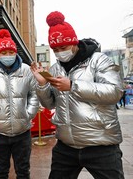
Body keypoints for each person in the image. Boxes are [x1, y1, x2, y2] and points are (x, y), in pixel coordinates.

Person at [30, 11, 125, 179]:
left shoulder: (98, 60)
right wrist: (43, 84)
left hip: (101, 145)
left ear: (73, 43)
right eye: (56, 49)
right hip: (66, 146)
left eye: (63, 48)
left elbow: (115, 92)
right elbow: (50, 104)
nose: (60, 53)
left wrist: (73, 86)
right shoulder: (55, 68)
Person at [0, 29, 39, 179]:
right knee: (1, 171)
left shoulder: (26, 71)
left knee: (23, 171)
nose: (8, 55)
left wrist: (28, 114)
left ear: (16, 53)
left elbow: (34, 94)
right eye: (4, 52)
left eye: (11, 52)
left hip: (23, 132)